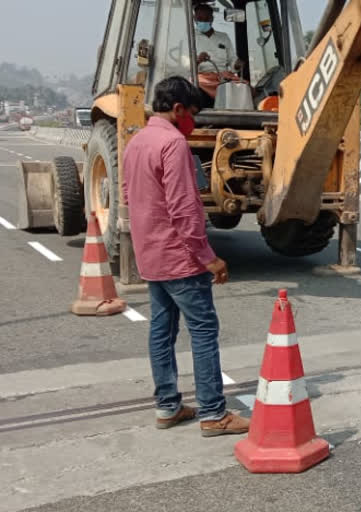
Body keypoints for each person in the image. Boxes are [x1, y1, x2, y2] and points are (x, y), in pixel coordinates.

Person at [123, 76, 249, 437]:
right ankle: (213, 413)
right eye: (191, 113)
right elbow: (183, 209)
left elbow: (130, 198)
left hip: (151, 256)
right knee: (204, 331)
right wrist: (208, 256)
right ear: (177, 109)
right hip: (179, 257)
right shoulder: (173, 143)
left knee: (162, 331)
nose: (192, 121)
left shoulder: (136, 142)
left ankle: (168, 406)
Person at [194, 3, 244, 101]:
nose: (203, 21)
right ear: (194, 19)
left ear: (211, 19)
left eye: (206, 18)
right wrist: (198, 60)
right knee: (195, 84)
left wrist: (237, 64)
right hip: (203, 78)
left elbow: (232, 60)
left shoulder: (223, 37)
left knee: (246, 88)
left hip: (223, 76)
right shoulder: (190, 37)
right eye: (200, 18)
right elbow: (185, 68)